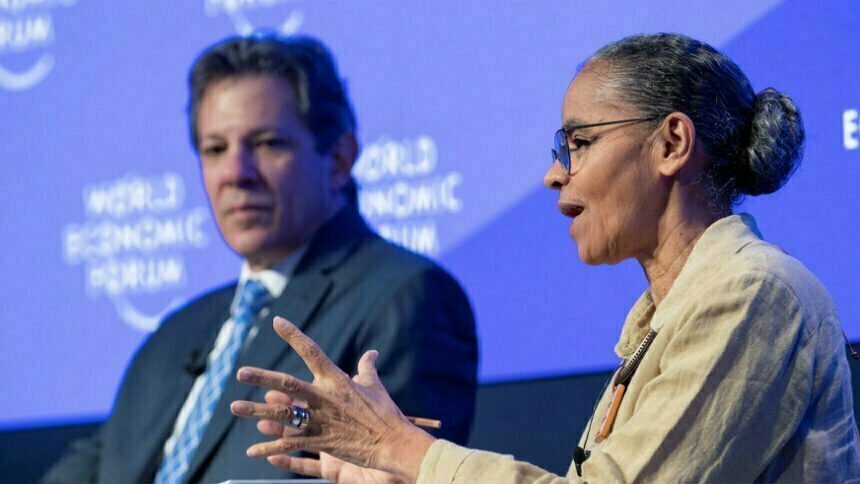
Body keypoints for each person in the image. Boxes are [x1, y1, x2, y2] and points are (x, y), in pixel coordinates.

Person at [228, 33, 860, 482]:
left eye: (578, 142)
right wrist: (400, 471)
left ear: (671, 143)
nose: (554, 176)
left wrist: (404, 449)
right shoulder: (673, 316)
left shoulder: (753, 292)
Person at [43, 34, 478, 484]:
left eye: (268, 143)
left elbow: (404, 472)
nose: (236, 173)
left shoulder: (406, 297)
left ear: (338, 159)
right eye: (215, 150)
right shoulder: (176, 334)